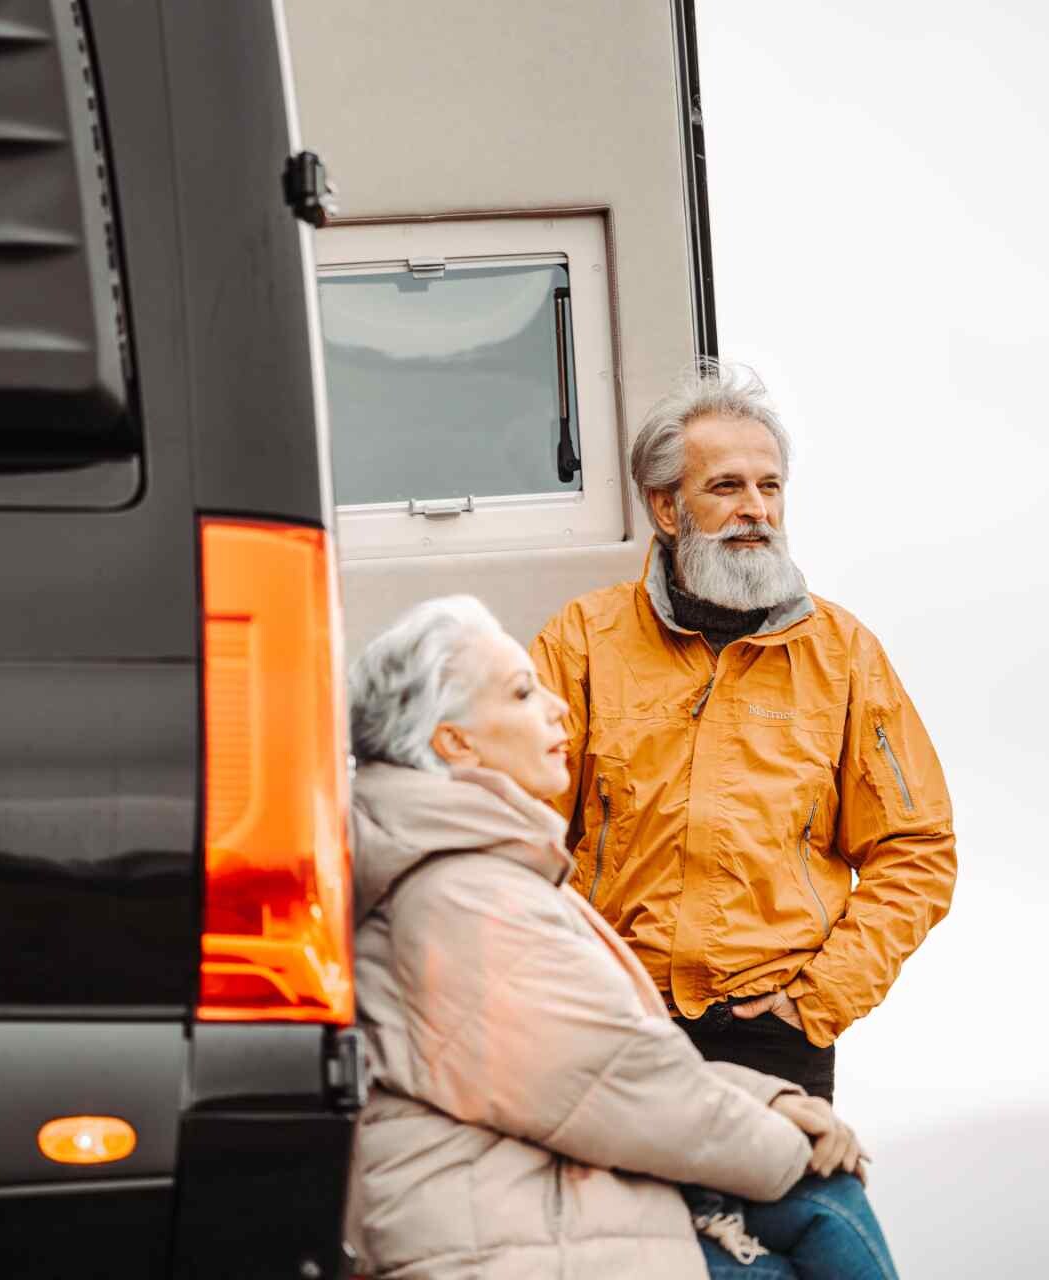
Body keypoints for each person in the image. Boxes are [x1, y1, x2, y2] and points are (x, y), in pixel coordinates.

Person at [343, 595, 897, 1279]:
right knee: (820, 1194)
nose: (558, 710)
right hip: (505, 1239)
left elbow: (603, 1066)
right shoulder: (459, 893)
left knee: (823, 1200)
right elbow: (613, 1082)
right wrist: (792, 1143)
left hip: (539, 1198)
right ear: (454, 742)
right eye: (521, 693)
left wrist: (775, 1101)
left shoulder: (468, 870)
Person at [530, 360, 956, 1101]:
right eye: (726, 487)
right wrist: (555, 986)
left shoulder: (843, 654)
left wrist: (820, 1000)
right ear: (667, 508)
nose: (755, 509)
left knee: (799, 1187)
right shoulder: (583, 641)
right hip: (610, 1026)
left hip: (775, 1035)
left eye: (770, 486)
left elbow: (916, 847)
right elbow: (510, 829)